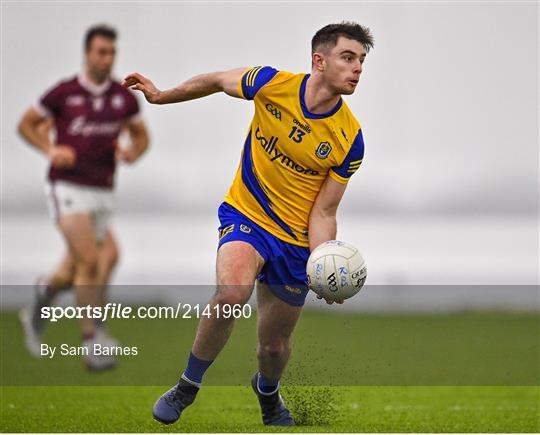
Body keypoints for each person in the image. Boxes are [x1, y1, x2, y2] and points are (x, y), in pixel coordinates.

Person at [124, 21, 372, 425]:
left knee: (273, 348)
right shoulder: (271, 83)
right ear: (319, 60)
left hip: (293, 240)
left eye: (361, 60)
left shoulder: (349, 139)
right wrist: (160, 96)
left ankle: (267, 391)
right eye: (348, 57)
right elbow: (219, 80)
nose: (357, 67)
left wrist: (322, 263)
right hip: (247, 215)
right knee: (232, 293)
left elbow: (324, 212)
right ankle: (188, 384)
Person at [17, 24, 150, 371]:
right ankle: (93, 343)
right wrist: (50, 148)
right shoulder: (64, 93)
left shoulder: (123, 98)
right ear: (87, 53)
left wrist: (132, 153)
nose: (107, 59)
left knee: (90, 262)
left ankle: (44, 295)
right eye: (101, 52)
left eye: (112, 52)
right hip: (67, 187)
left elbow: (141, 136)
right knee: (91, 259)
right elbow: (26, 124)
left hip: (103, 191)